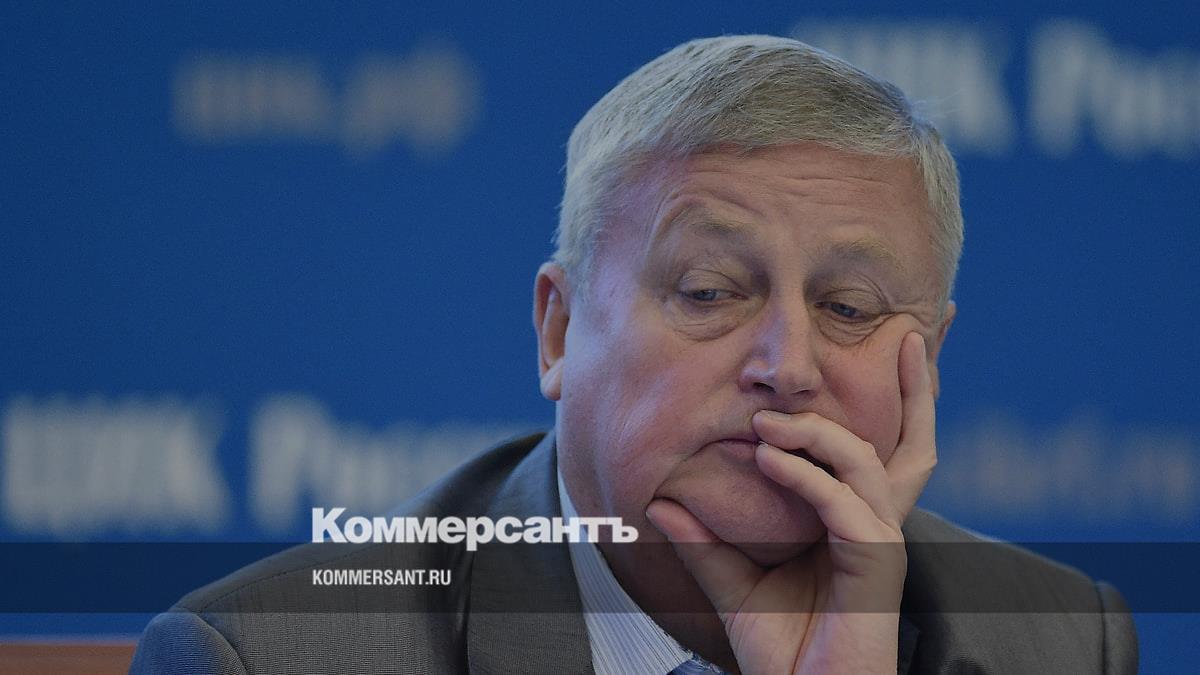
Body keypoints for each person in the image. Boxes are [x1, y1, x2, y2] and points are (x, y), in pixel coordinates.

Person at [131, 34, 1138, 674]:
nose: (789, 364)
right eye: (709, 291)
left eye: (846, 307)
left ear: (930, 361)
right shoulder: (280, 658)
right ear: (560, 330)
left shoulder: (1053, 641)